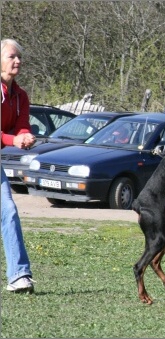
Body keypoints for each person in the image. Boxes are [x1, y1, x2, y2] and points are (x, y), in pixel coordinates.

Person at [1, 38, 36, 293]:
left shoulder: (20, 96)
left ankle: (19, 275)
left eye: (19, 57)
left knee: (9, 211)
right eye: (12, 56)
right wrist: (14, 139)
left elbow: (22, 124)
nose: (18, 61)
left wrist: (25, 136)